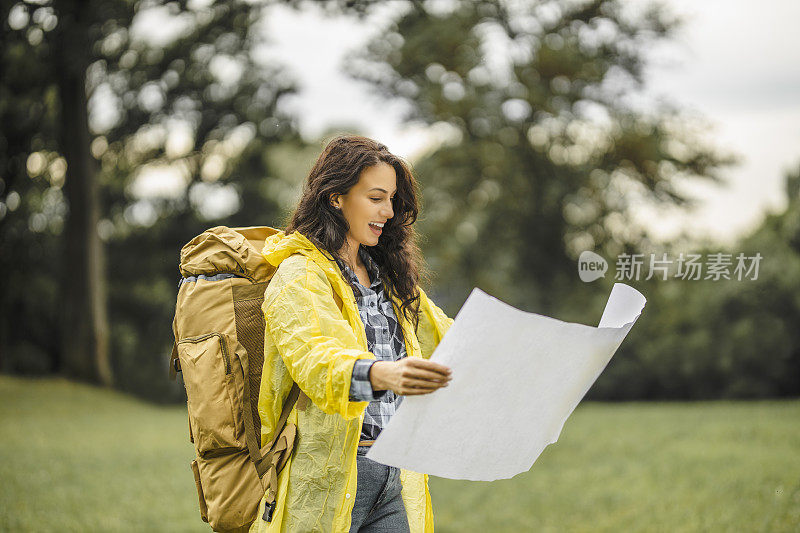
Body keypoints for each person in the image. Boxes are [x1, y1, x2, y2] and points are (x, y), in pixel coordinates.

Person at [250, 134, 455, 533]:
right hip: (328, 475)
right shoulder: (299, 276)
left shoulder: (390, 280)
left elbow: (451, 339)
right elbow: (316, 360)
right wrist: (382, 374)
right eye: (376, 197)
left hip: (394, 473)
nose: (389, 211)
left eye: (393, 199)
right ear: (335, 197)